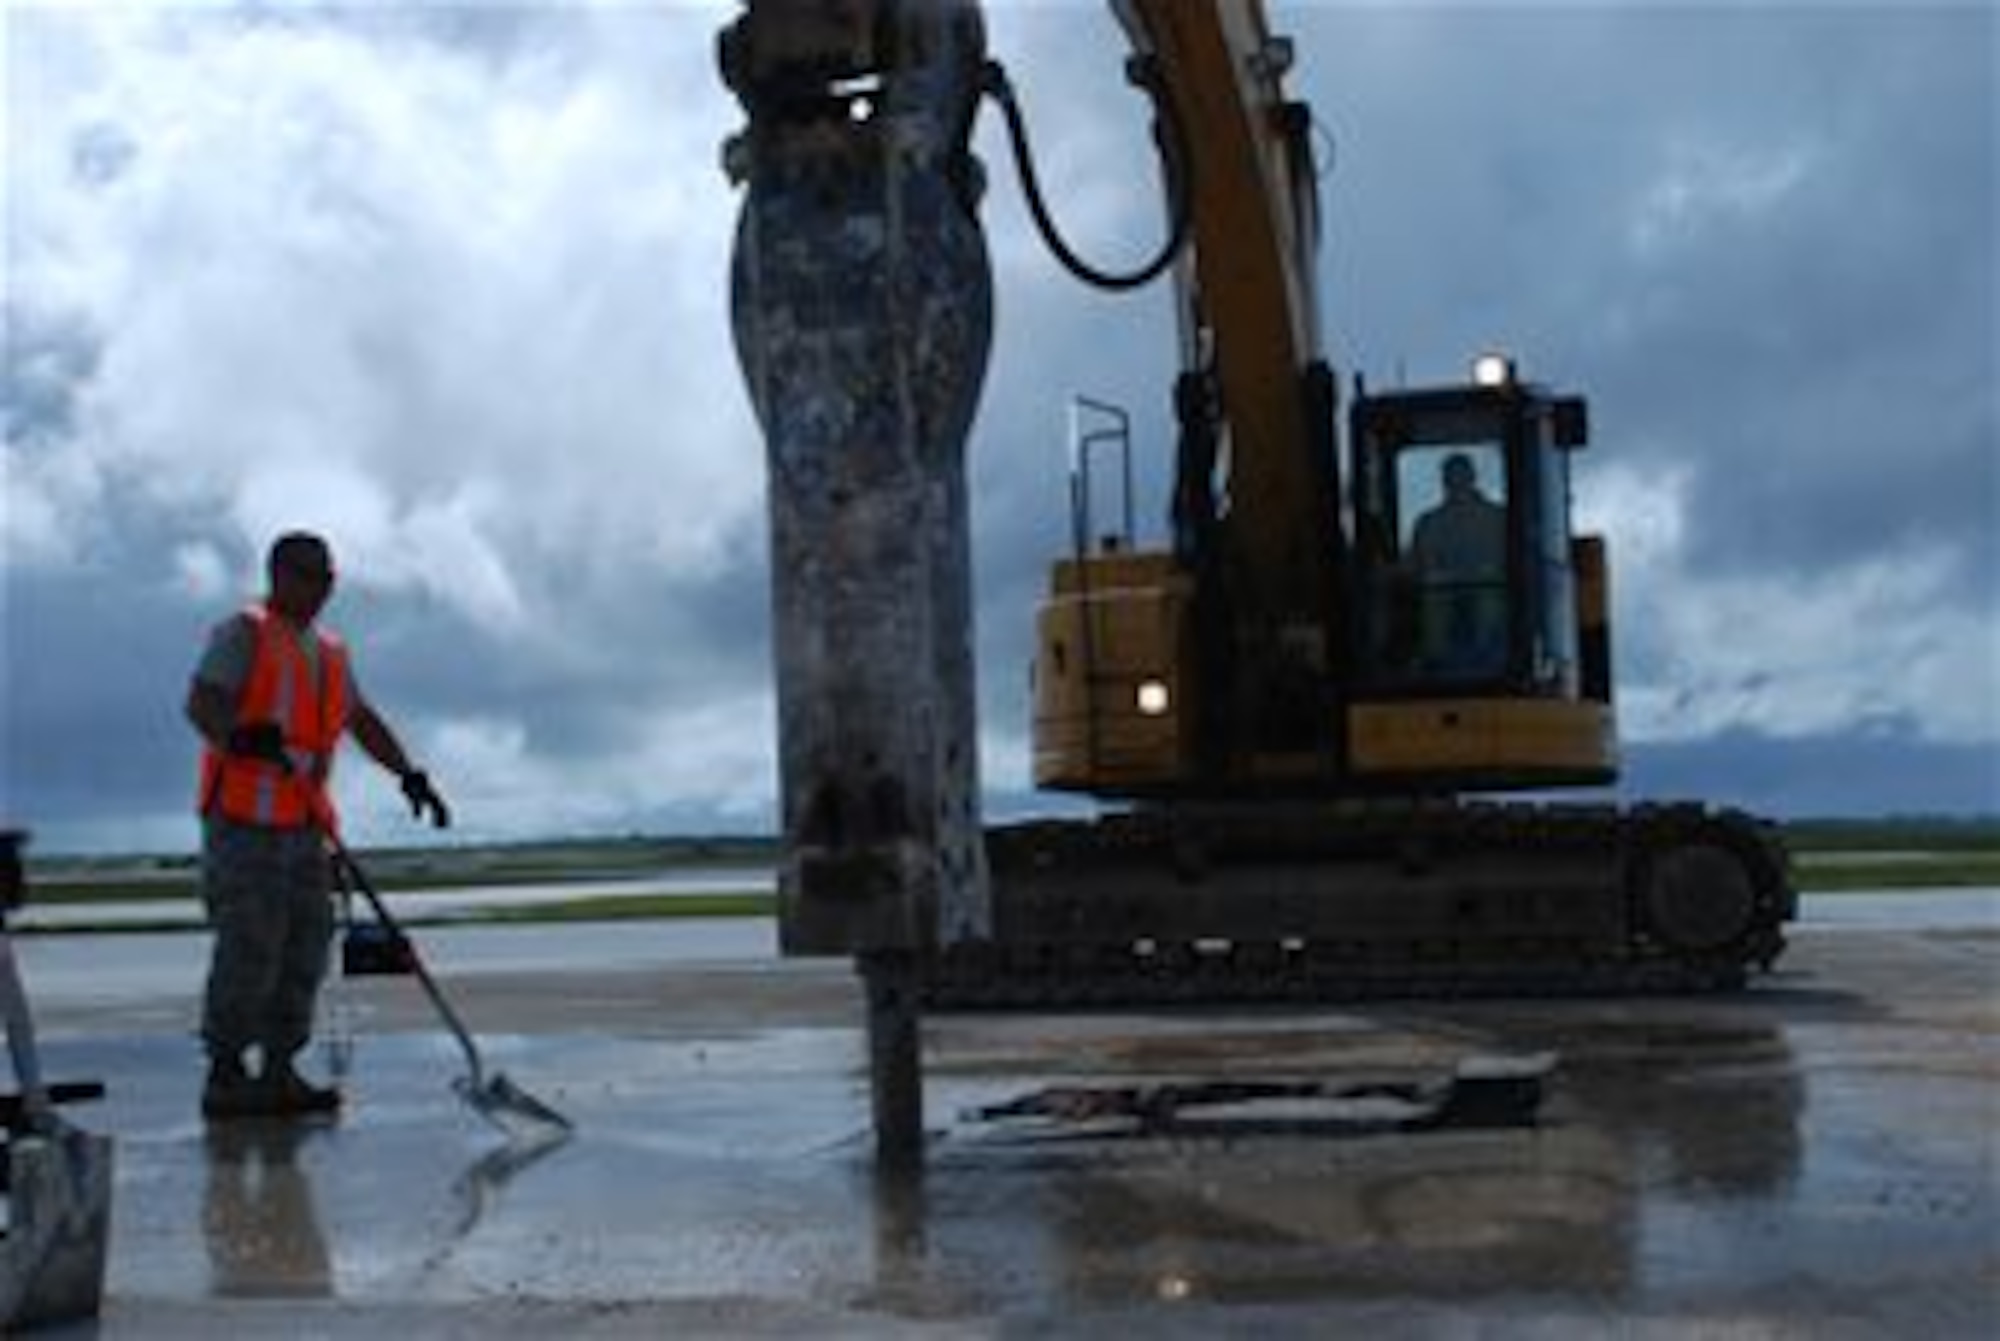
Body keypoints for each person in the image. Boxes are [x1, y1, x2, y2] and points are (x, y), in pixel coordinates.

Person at [186, 532, 450, 1121]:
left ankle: (280, 1072)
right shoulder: (244, 633)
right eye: (308, 575)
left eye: (327, 577)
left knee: (305, 946)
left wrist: (409, 774)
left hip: (304, 826)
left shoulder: (330, 651)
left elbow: (360, 719)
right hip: (244, 823)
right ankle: (226, 1074)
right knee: (249, 946)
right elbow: (202, 701)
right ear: (278, 574)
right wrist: (236, 736)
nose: (320, 587)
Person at [1408, 452, 1508, 673]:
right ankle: (1435, 655)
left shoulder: (1499, 518)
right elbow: (1416, 568)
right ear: (1443, 481)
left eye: (1460, 476)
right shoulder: (1429, 523)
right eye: (1450, 477)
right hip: (1443, 596)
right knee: (1435, 584)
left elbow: (1514, 565)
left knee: (1488, 584)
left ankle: (1485, 651)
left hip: (1492, 595)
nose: (1455, 482)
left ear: (1472, 478)